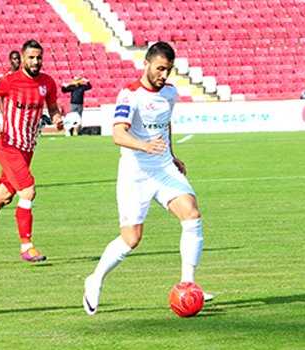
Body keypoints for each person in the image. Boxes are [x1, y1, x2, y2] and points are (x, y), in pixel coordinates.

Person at [82, 42, 211, 316]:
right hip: (135, 172)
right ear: (147, 64)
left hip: (163, 168)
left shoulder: (170, 93)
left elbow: (165, 124)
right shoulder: (130, 95)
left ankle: (188, 284)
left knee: (192, 215)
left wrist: (172, 154)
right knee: (131, 239)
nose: (164, 74)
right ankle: (95, 279)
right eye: (160, 68)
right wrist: (144, 146)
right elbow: (118, 134)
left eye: (168, 69)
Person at [0, 39, 63, 262]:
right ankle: (27, 246)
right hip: (9, 146)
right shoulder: (10, 80)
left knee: (4, 196)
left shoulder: (47, 82)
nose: (35, 62)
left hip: (27, 149)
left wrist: (57, 118)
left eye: (38, 57)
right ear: (23, 58)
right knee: (28, 191)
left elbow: (52, 106)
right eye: (31, 57)